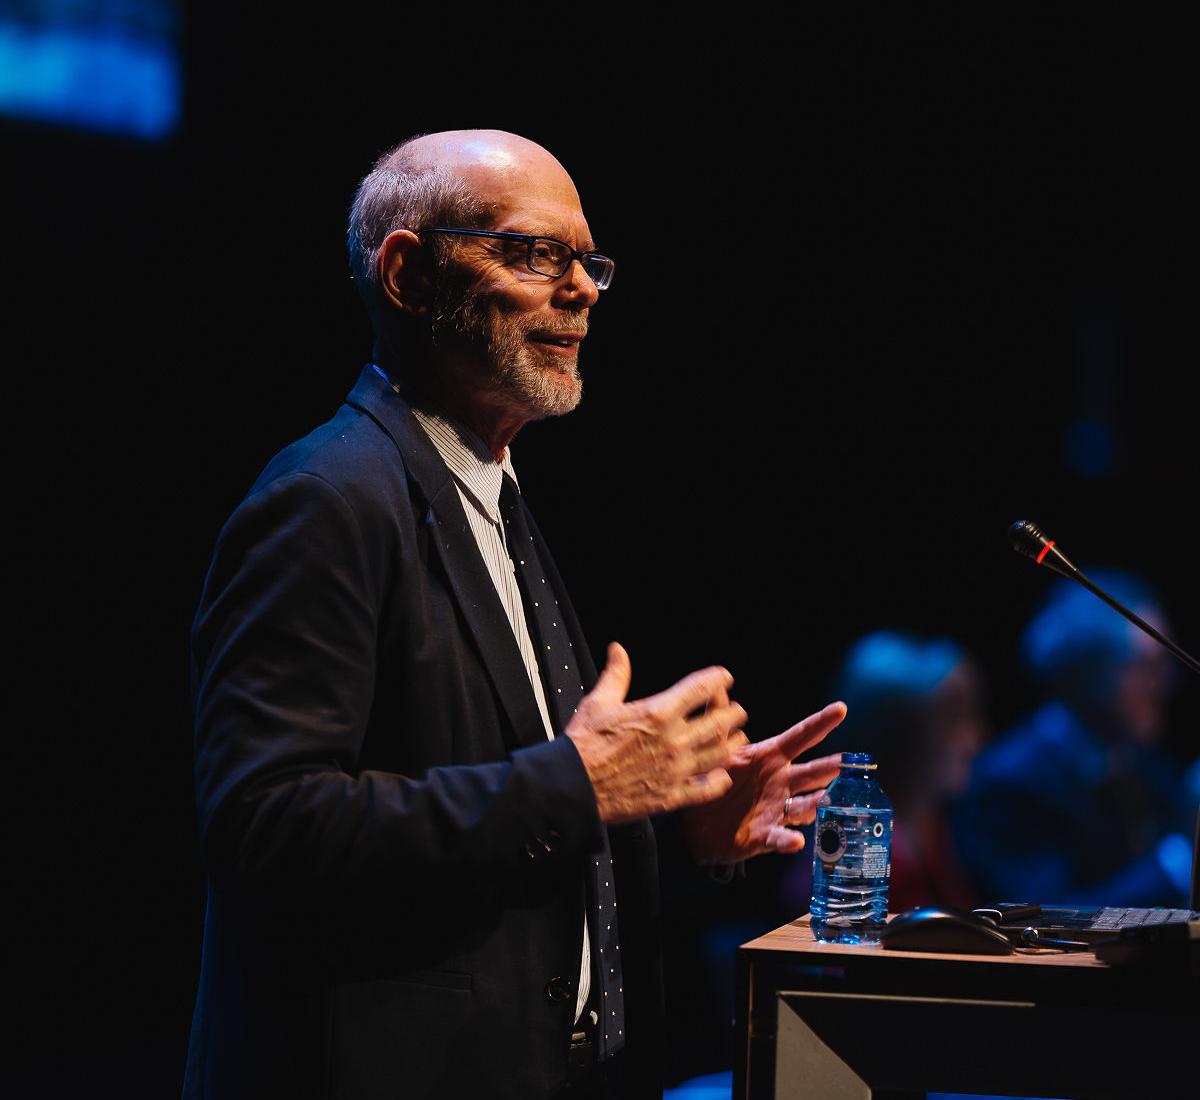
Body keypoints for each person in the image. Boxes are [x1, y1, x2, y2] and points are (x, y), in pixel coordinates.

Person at [182, 130, 846, 1100]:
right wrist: (581, 783)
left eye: (588, 262)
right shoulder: (328, 500)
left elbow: (509, 814)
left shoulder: (491, 495)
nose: (580, 290)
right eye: (535, 253)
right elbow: (265, 828)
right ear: (409, 275)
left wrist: (673, 823)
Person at [956, 570, 1197, 908]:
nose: (1167, 683)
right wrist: (1179, 862)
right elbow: (1046, 916)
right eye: (1146, 666)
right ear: (1088, 670)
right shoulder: (1010, 783)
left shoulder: (1146, 767)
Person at [779, 631, 986, 916]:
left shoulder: (936, 831)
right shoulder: (852, 848)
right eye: (953, 718)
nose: (975, 740)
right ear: (898, 733)